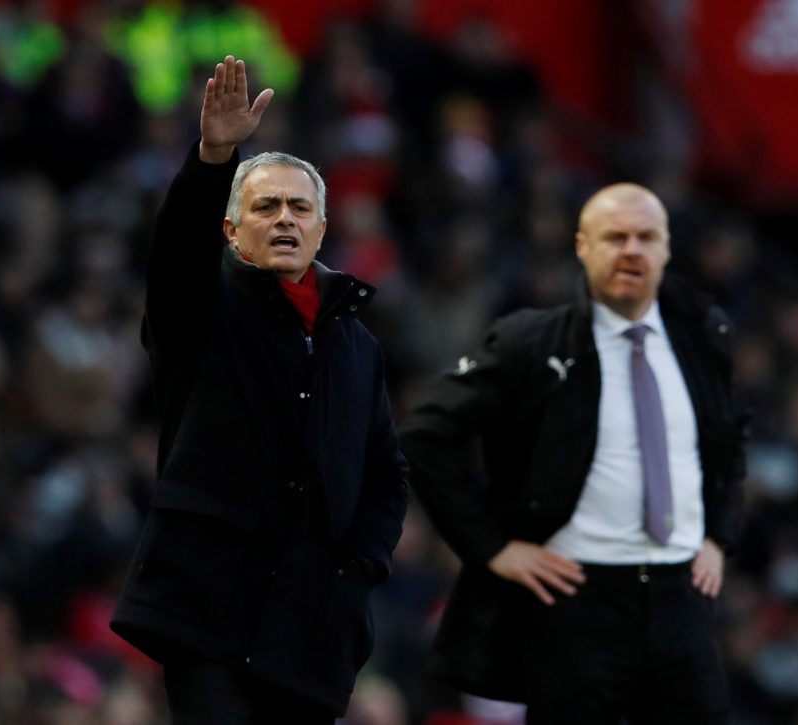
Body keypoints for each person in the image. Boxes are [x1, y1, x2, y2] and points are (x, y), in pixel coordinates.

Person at [110, 56, 409, 725]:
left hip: (309, 631)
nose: (284, 219)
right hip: (209, 613)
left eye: (300, 207)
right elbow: (176, 254)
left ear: (322, 230)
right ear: (230, 228)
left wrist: (359, 565)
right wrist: (215, 157)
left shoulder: (358, 345)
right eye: (265, 205)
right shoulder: (202, 305)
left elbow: (387, 473)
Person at [399, 183, 747, 724]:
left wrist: (718, 536)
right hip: (577, 595)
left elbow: (728, 440)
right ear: (582, 245)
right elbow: (424, 434)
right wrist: (492, 548)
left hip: (683, 594)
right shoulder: (531, 342)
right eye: (615, 236)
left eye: (646, 237)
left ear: (667, 248)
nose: (632, 249)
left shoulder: (704, 336)